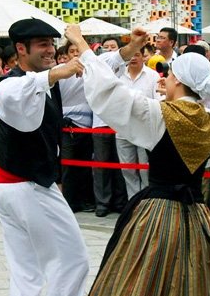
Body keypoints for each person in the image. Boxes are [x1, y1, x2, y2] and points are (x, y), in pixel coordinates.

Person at [64, 24, 210, 296]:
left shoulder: (158, 114)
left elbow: (108, 92)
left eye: (171, 74)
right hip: (196, 215)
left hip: (157, 215)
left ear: (179, 81)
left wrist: (80, 43)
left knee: (137, 286)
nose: (167, 77)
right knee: (193, 287)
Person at [0, 18, 89, 296]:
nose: (51, 50)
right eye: (42, 45)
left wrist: (128, 52)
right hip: (25, 187)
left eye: (52, 43)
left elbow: (87, 76)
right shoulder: (9, 84)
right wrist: (53, 74)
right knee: (75, 260)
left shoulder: (52, 83)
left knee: (27, 277)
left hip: (15, 188)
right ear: (21, 49)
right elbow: (17, 91)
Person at [116, 46, 159, 199]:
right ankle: (133, 202)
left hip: (145, 129)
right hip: (123, 129)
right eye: (130, 55)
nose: (133, 58)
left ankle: (148, 201)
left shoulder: (153, 76)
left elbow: (158, 102)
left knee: (145, 169)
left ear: (143, 56)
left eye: (137, 54)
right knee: (127, 169)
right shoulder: (118, 76)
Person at [59, 41, 96, 214]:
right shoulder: (60, 72)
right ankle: (69, 201)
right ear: (66, 54)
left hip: (88, 126)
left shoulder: (92, 71)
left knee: (86, 166)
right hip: (68, 127)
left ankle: (86, 200)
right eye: (71, 51)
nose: (75, 54)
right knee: (68, 166)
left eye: (77, 51)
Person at [92, 38, 128, 217]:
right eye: (105, 47)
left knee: (122, 166)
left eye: (113, 47)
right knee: (101, 167)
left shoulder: (125, 71)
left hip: (122, 125)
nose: (109, 50)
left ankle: (121, 202)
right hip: (99, 124)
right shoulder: (94, 72)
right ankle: (103, 203)